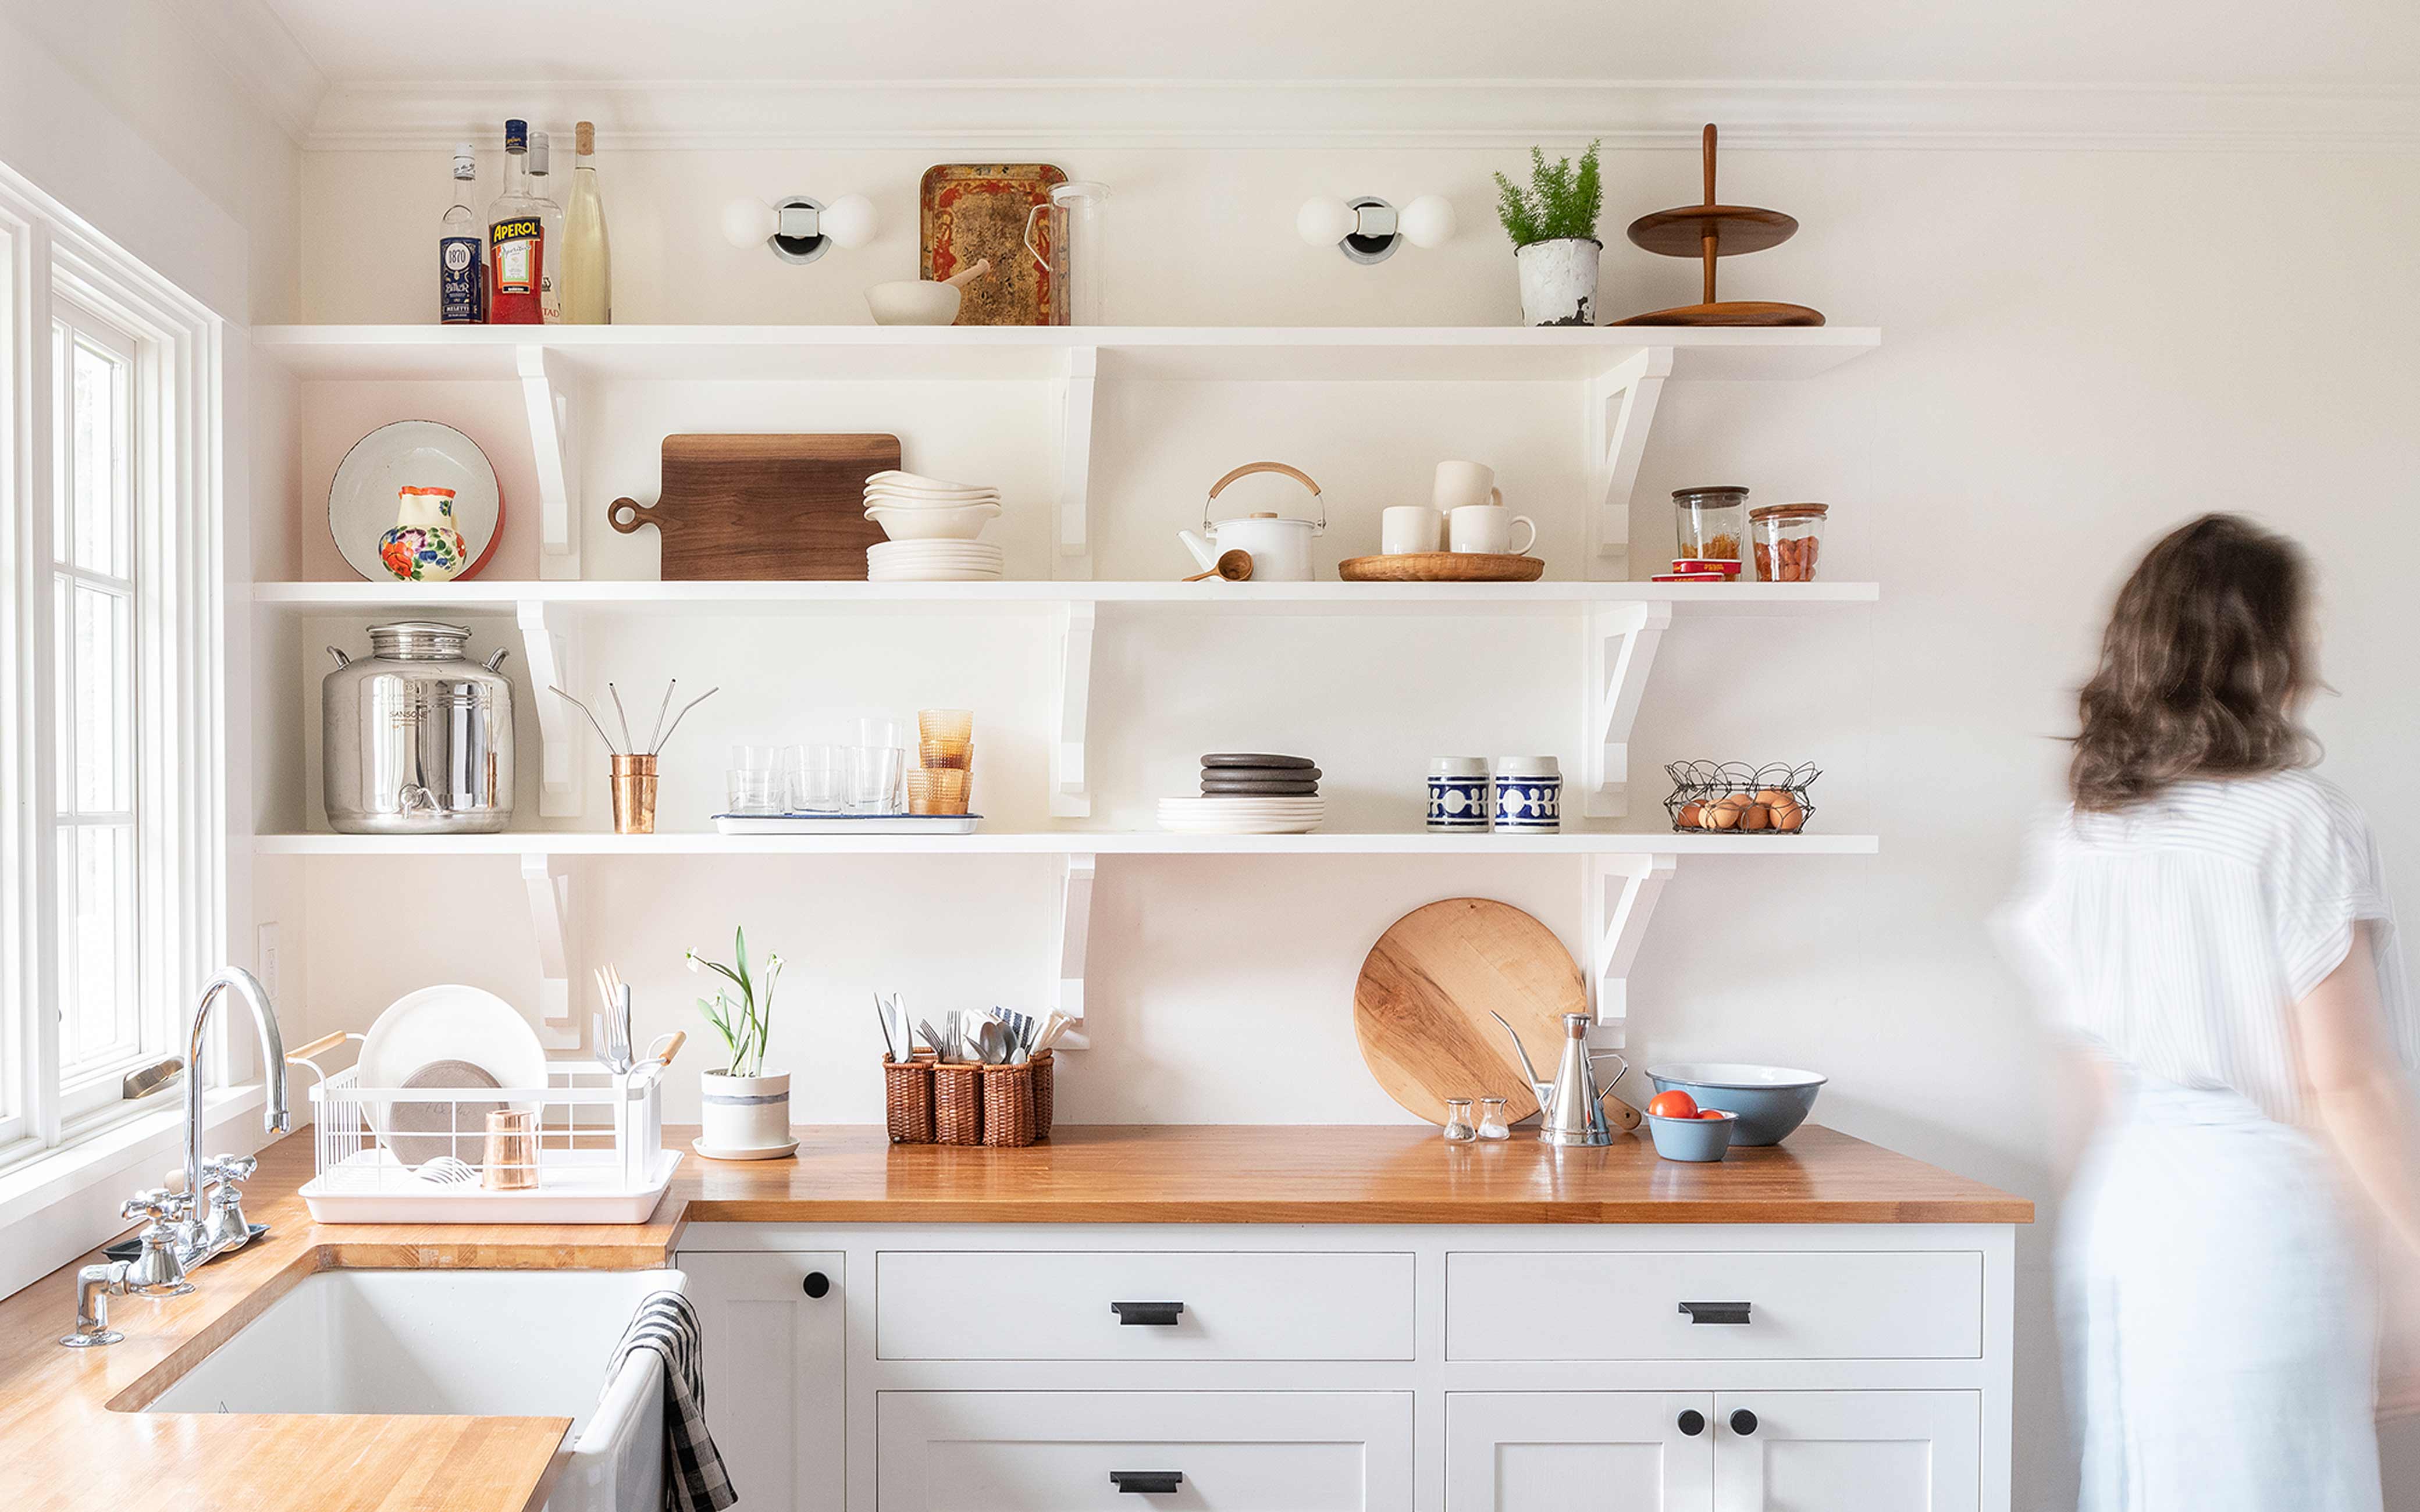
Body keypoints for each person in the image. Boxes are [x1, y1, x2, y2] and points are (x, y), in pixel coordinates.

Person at [2005, 513, 2416, 1511]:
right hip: (2258, 1223)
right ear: (2267, 650)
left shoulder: (2084, 828)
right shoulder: (2298, 820)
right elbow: (2345, 1081)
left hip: (2128, 1214)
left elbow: (2087, 1081)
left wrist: (2091, 1227)